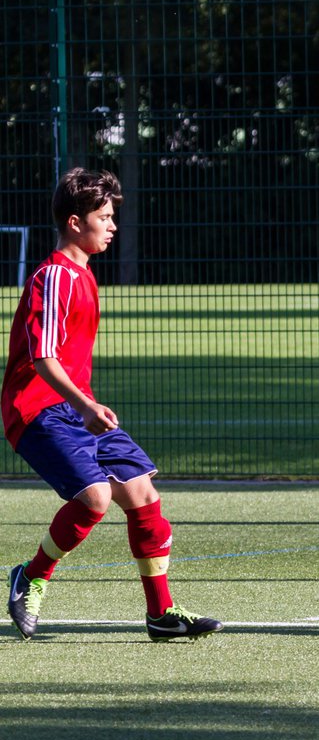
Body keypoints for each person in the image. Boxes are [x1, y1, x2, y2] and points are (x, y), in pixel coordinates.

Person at [3, 168, 222, 642]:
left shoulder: (83, 275)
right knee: (96, 498)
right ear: (75, 223)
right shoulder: (54, 276)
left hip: (76, 409)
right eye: (104, 217)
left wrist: (85, 406)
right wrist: (84, 404)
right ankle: (31, 576)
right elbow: (42, 358)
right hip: (38, 411)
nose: (112, 225)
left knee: (143, 495)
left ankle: (161, 615)